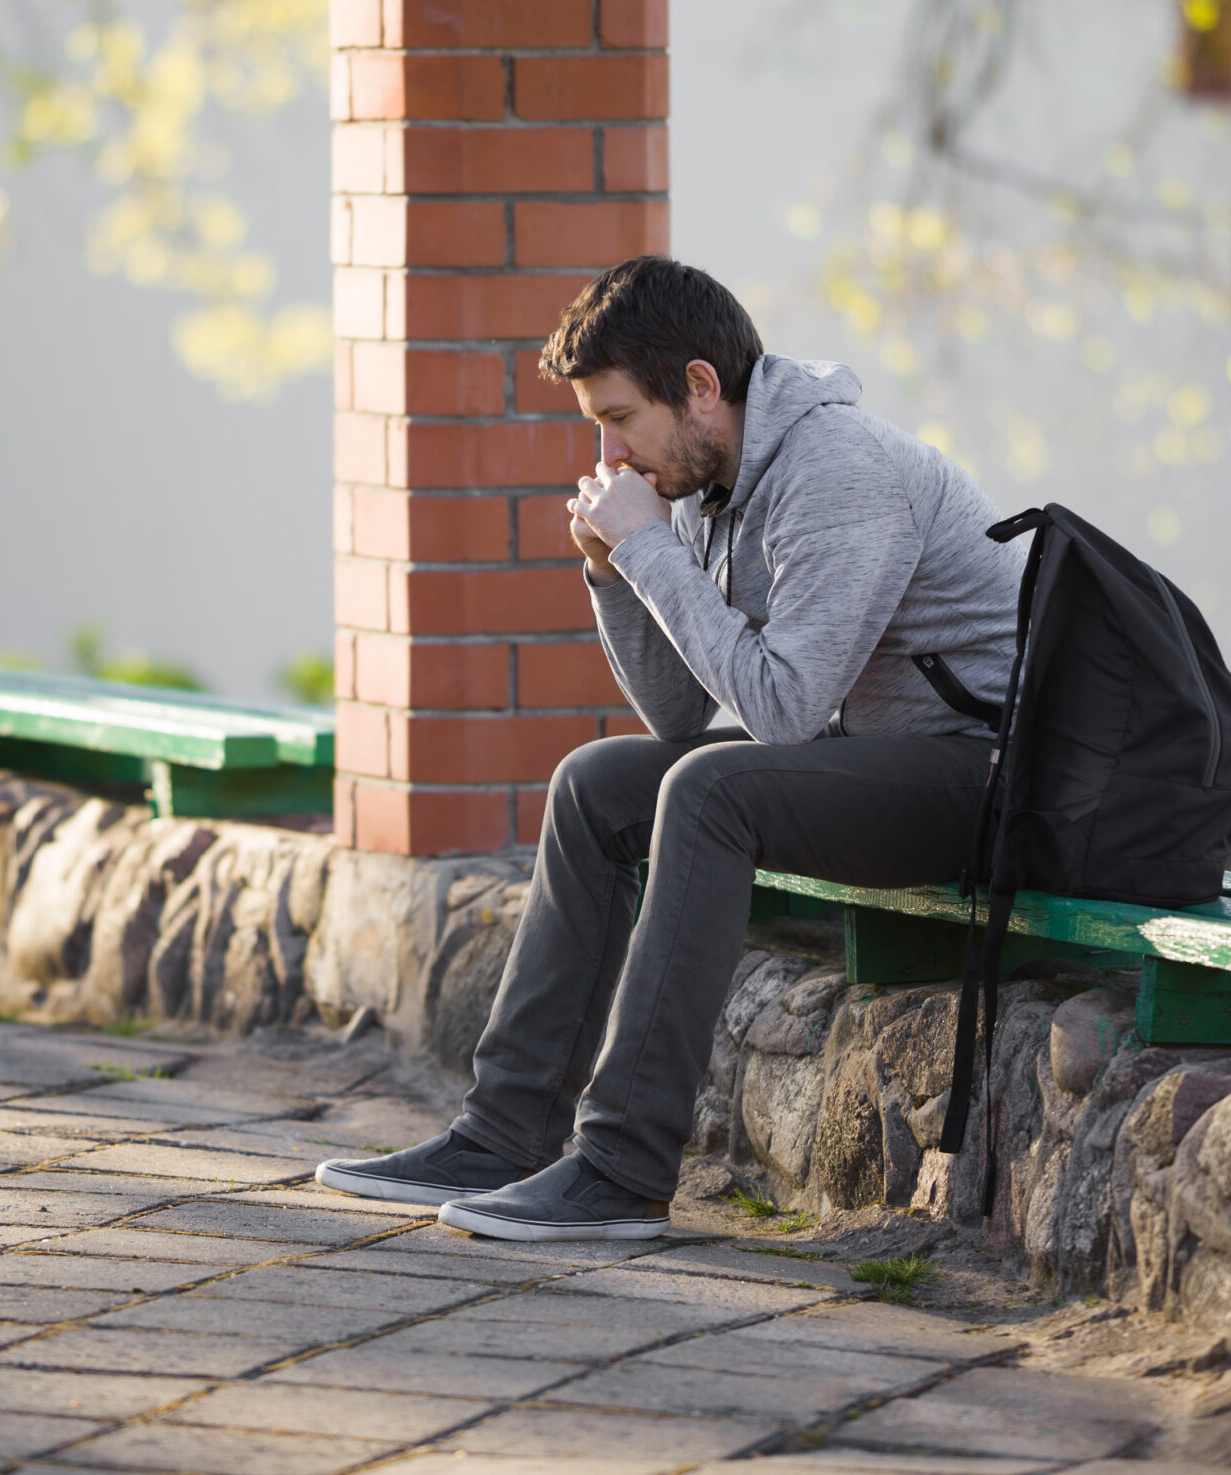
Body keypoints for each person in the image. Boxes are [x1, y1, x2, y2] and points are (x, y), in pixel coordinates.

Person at [314, 256, 1027, 1240]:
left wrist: (650, 551)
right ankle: (503, 1131)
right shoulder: (706, 481)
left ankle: (621, 1167)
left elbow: (778, 712)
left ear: (699, 387)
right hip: (876, 763)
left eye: (617, 419)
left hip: (984, 780)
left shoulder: (839, 470)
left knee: (710, 793)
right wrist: (614, 573)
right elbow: (679, 716)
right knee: (601, 781)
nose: (607, 453)